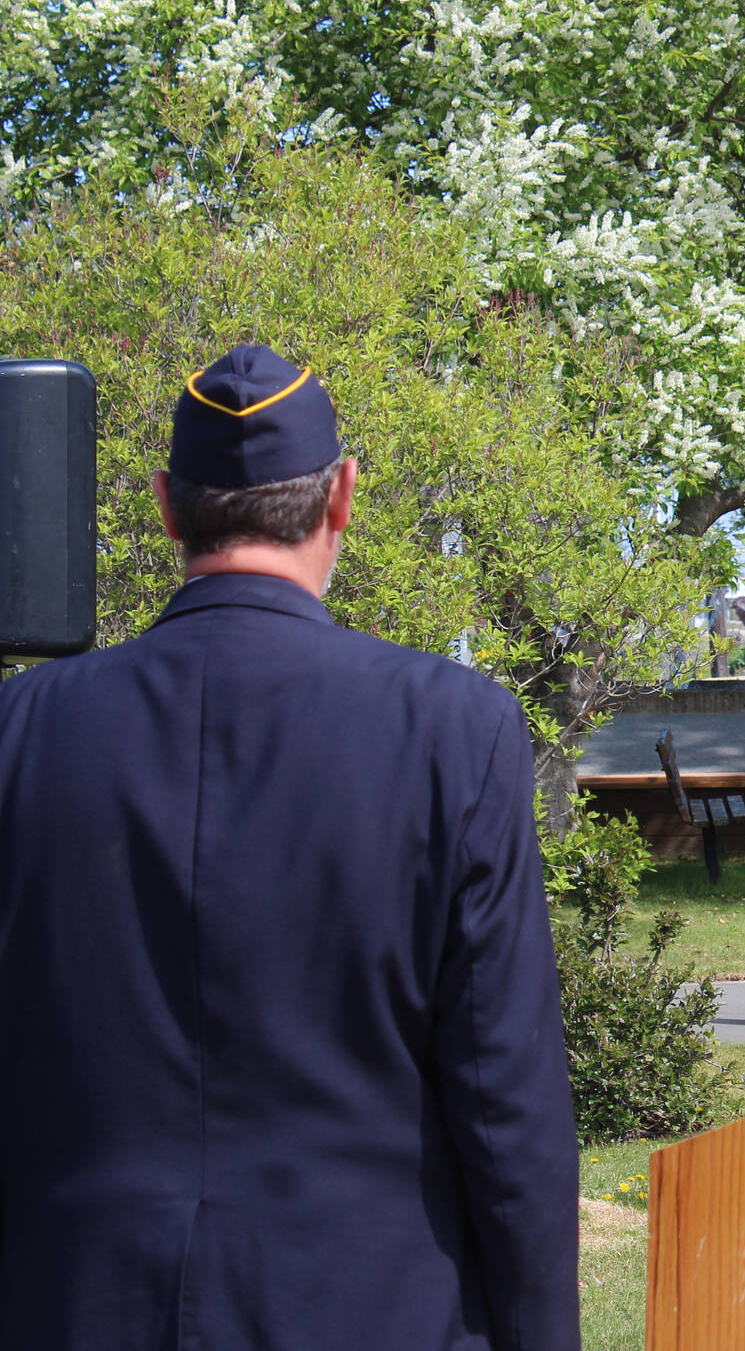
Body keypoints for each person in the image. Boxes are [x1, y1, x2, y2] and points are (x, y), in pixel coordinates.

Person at [0, 344, 581, 1349]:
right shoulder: (451, 728)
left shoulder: (23, 729)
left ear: (167, 507)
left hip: (78, 1305)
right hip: (365, 1311)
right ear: (342, 496)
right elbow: (505, 1102)